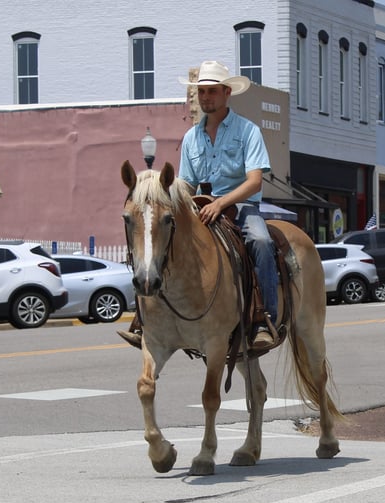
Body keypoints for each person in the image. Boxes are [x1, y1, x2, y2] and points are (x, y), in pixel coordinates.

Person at [119, 60, 278, 350]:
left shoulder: (248, 131)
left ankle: (262, 319)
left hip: (240, 207)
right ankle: (145, 319)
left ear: (227, 92)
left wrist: (221, 203)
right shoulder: (191, 137)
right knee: (164, 240)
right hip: (199, 206)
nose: (205, 98)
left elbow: (255, 181)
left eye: (212, 92)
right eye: (201, 92)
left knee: (261, 241)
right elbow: (187, 184)